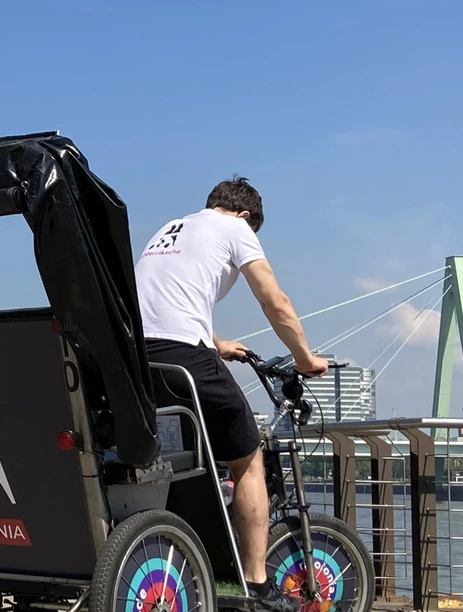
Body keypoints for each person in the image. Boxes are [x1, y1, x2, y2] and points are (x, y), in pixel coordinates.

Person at [135, 176, 327, 612]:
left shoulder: (171, 228)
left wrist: (217, 342)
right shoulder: (234, 228)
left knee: (183, 458)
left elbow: (164, 300)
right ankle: (257, 587)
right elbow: (274, 300)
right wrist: (305, 358)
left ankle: (187, 556)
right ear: (244, 216)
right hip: (183, 356)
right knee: (249, 459)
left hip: (140, 359)